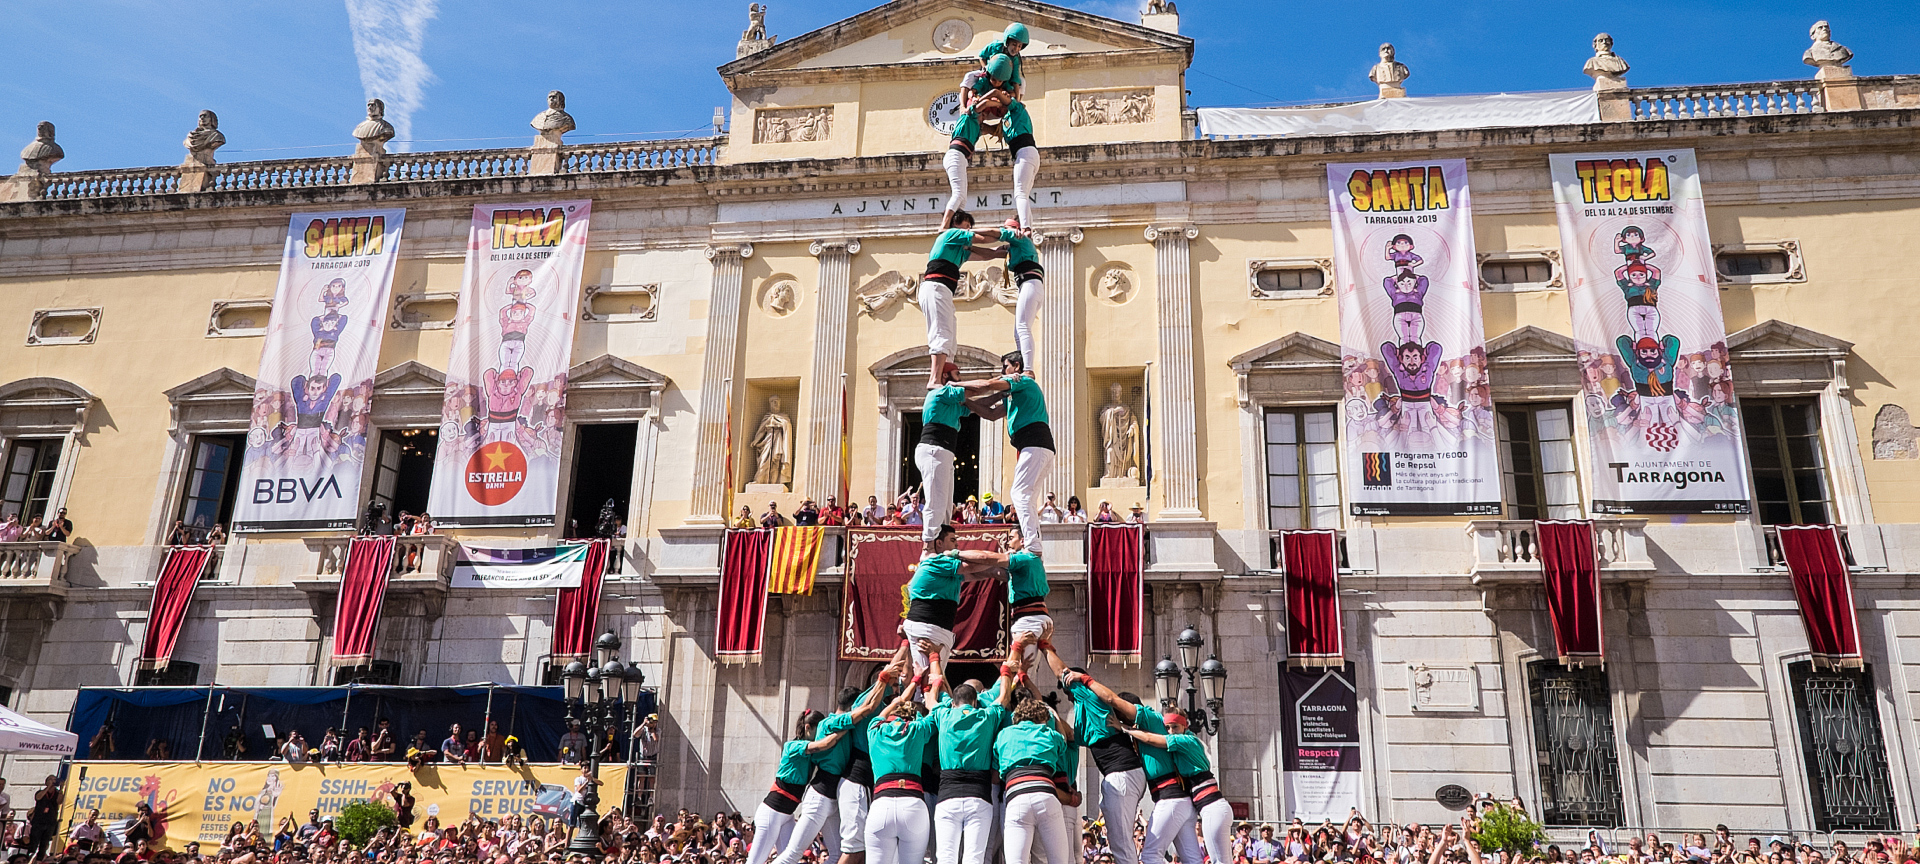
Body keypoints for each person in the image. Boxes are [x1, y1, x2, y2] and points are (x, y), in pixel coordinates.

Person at [769, 648, 905, 864]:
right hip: (820, 796)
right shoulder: (832, 722)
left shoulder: (836, 721)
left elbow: (881, 687)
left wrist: (904, 647)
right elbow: (867, 706)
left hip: (832, 795)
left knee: (837, 853)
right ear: (853, 705)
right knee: (793, 853)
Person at [1039, 644, 1145, 864]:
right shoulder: (1086, 717)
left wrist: (1045, 646)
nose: (1067, 696)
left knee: (1121, 844)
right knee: (1120, 842)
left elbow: (1063, 673)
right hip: (1122, 776)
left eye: (1067, 690)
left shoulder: (1091, 699)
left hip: (1121, 774)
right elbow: (1068, 735)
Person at [926, 640, 1020, 864]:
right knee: (974, 859)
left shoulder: (944, 715)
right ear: (976, 701)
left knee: (946, 858)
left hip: (947, 797)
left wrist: (933, 658)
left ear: (953, 702)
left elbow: (932, 698)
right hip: (979, 796)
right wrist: (1007, 668)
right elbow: (1004, 697)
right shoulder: (986, 717)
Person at [944, 28, 1040, 232]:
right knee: (963, 194)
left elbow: (1013, 86)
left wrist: (1006, 100)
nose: (1016, 48)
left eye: (1019, 46)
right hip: (1016, 151)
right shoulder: (972, 115)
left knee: (1018, 193)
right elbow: (981, 117)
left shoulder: (1013, 107)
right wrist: (979, 93)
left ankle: (1026, 228)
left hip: (1023, 152)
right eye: (1014, 44)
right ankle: (951, 226)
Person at [958, 352, 1054, 554]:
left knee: (1019, 494)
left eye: (1005, 367)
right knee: (1028, 497)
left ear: (1016, 367)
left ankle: (1032, 546)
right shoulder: (1014, 395)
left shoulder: (1022, 381)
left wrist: (954, 386)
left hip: (1033, 443)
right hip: (1038, 447)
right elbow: (990, 412)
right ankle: (1035, 543)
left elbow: (987, 385)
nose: (1003, 372)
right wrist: (965, 402)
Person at [1117, 710, 1230, 864]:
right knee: (1195, 860)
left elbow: (1150, 738)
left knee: (1219, 862)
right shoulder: (1182, 745)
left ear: (1186, 725)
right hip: (1207, 808)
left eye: (1175, 727)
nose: (1170, 732)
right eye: (1167, 728)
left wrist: (1124, 728)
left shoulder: (1185, 741)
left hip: (1212, 808)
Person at [745, 710, 849, 864]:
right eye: (817, 729)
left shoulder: (810, 752)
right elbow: (825, 744)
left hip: (787, 815)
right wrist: (848, 725)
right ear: (808, 727)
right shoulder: (792, 746)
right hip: (771, 812)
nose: (820, 732)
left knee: (790, 859)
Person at [919, 212, 1007, 389]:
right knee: (941, 333)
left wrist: (998, 253)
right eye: (966, 227)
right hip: (936, 287)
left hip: (942, 290)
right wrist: (1005, 233)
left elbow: (982, 254)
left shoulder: (958, 250)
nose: (968, 231)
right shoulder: (950, 234)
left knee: (950, 339)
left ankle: (944, 376)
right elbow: (982, 239)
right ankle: (934, 380)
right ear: (956, 225)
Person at [862, 670, 941, 864]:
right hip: (913, 805)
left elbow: (881, 714)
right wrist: (930, 689)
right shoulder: (916, 729)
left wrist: (907, 690)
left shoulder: (874, 729)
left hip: (881, 806)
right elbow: (935, 714)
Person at [995, 696, 1072, 864]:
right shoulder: (1048, 734)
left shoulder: (1003, 735)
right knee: (1058, 860)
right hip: (1046, 795)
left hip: (1016, 798)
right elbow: (1063, 742)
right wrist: (1056, 718)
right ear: (1043, 718)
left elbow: (997, 759)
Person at [995, 219, 1045, 369]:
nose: (1005, 231)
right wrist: (968, 249)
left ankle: (1028, 369)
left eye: (1007, 228)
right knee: (1018, 331)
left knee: (1023, 327)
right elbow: (990, 253)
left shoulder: (1021, 239)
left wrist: (967, 234)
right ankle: (1022, 365)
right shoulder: (1014, 247)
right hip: (1028, 286)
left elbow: (994, 234)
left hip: (1030, 284)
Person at [25, 775, 61, 859]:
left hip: (50, 821)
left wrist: (61, 789)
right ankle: (29, 857)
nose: (53, 781)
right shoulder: (41, 791)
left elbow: (59, 801)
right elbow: (38, 797)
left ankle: (40, 859)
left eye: (54, 780)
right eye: (51, 779)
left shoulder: (56, 793)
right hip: (39, 821)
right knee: (34, 841)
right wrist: (48, 787)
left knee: (44, 843)